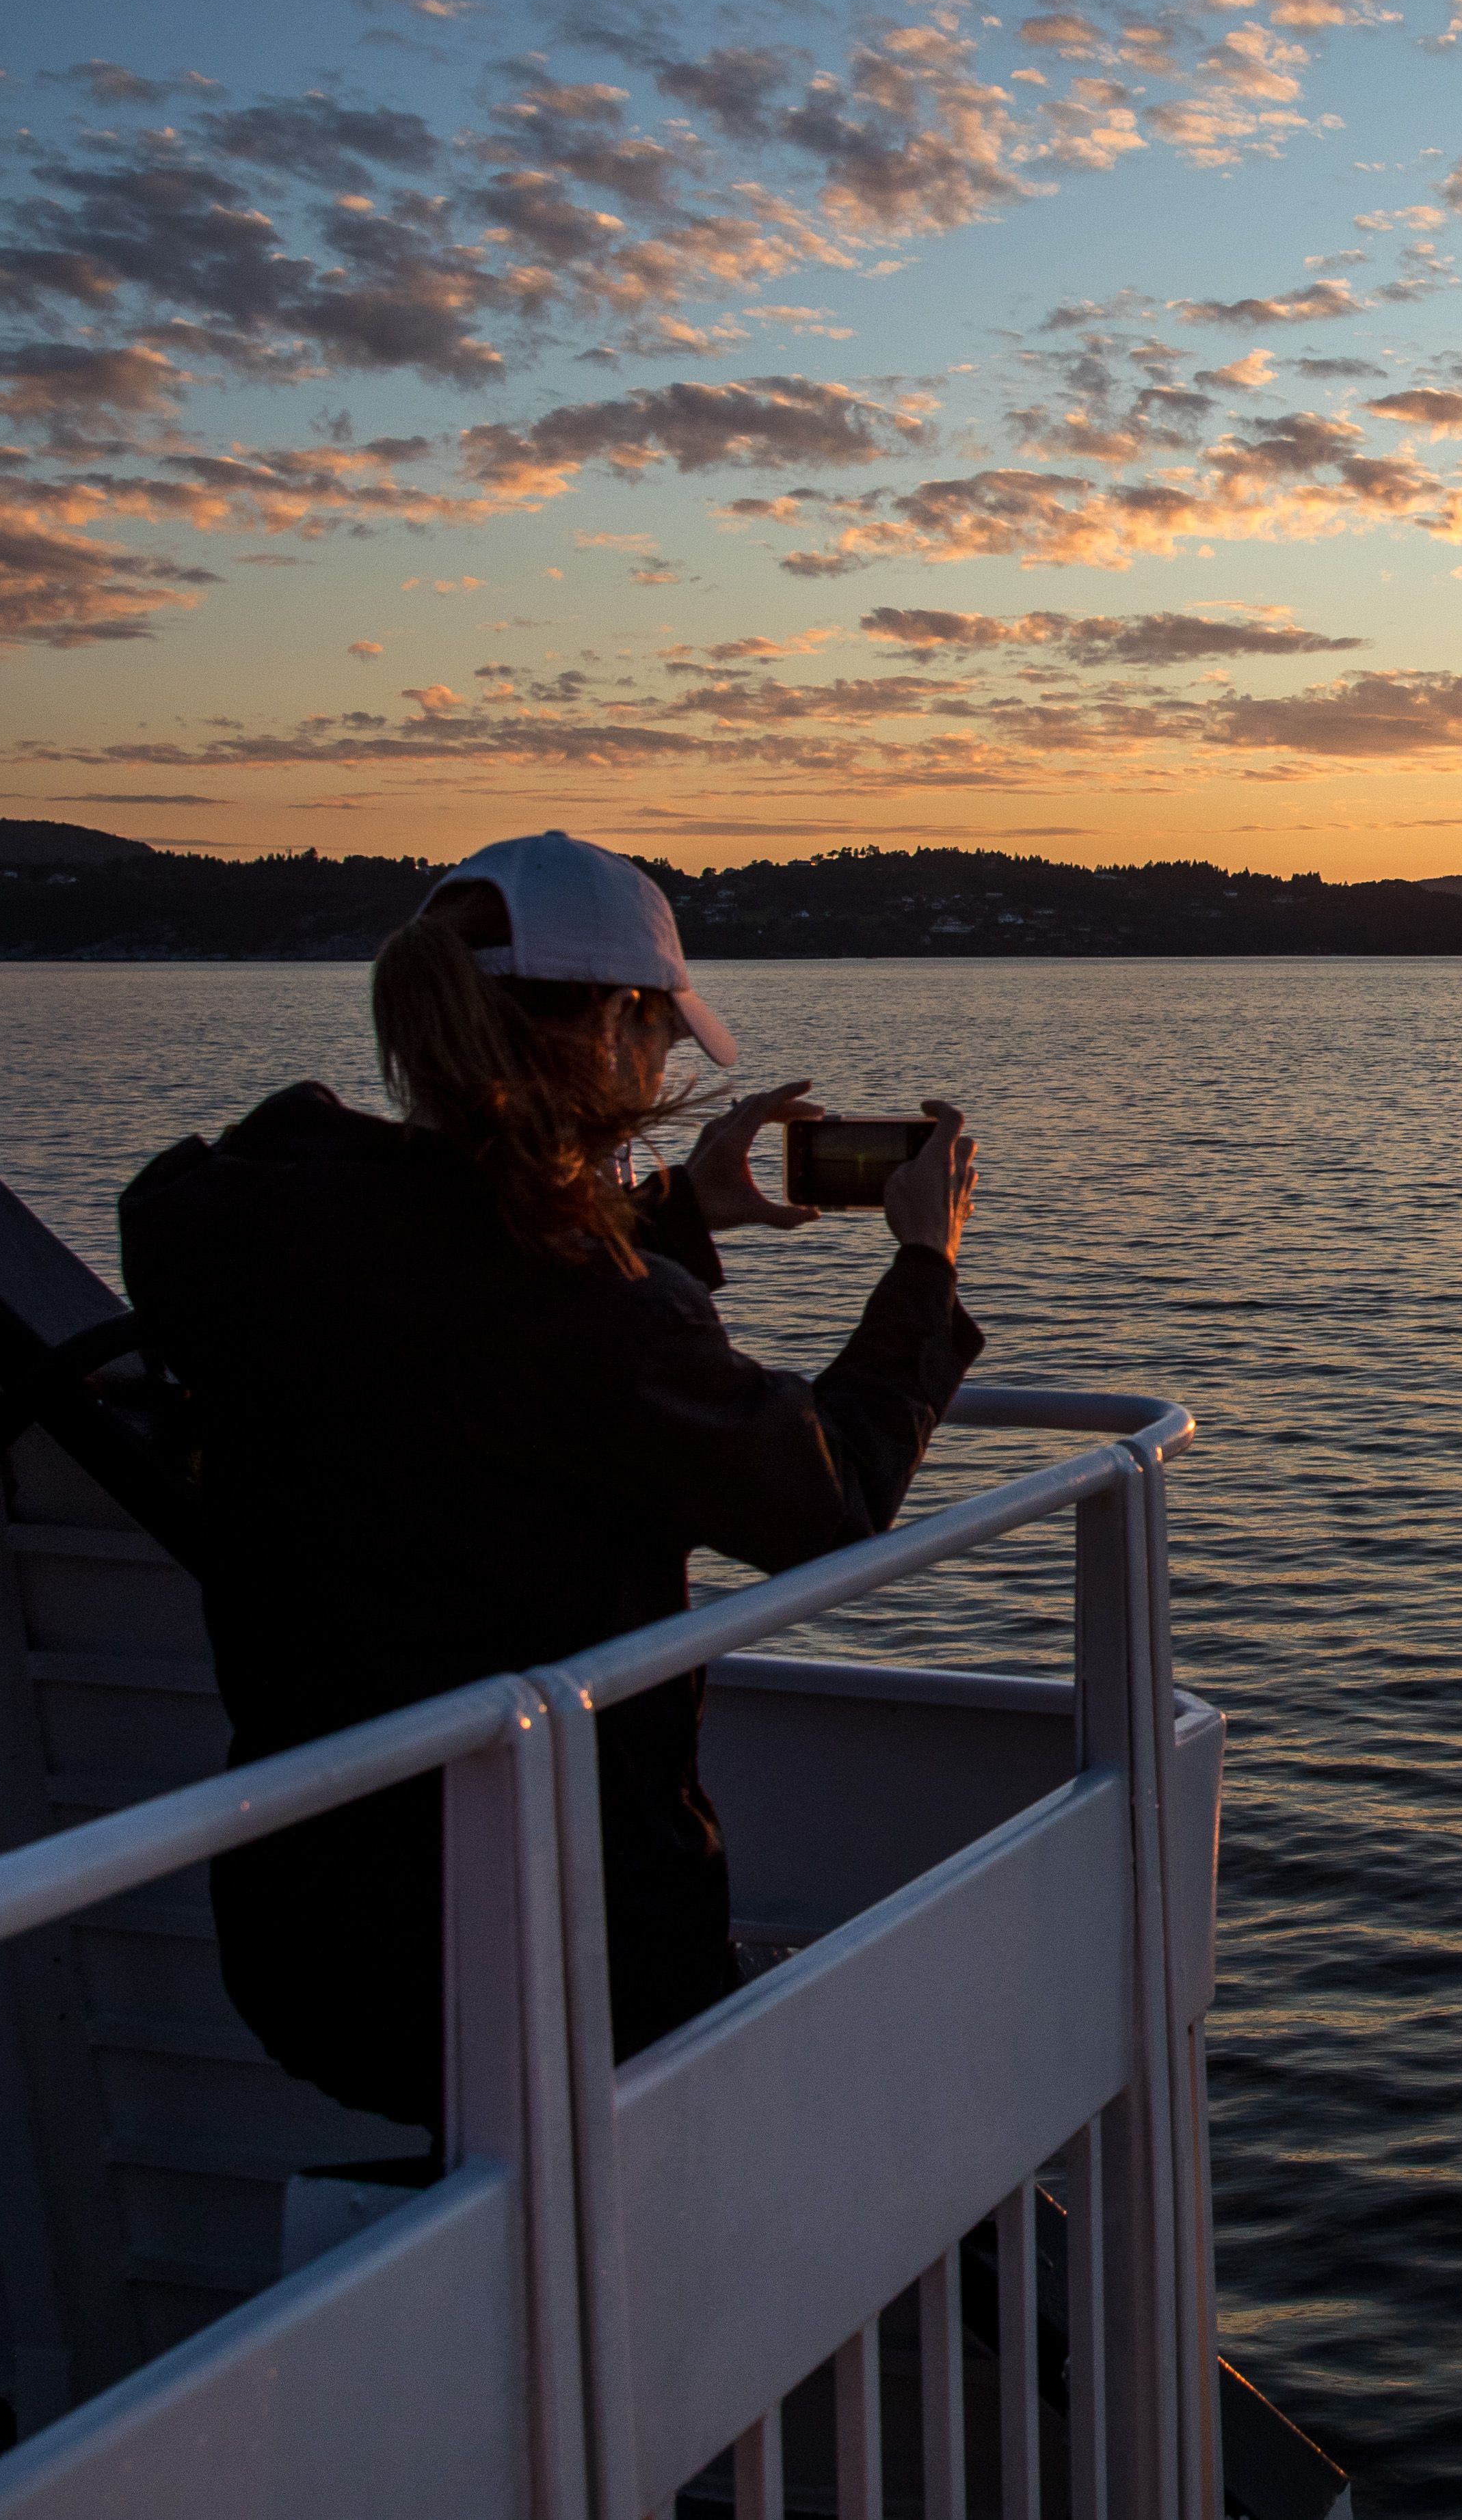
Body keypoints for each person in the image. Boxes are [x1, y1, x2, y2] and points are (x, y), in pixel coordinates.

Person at [118, 829, 981, 2135]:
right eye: (664, 1033)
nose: (670, 1062)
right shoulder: (600, 1321)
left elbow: (454, 1291)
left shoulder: (268, 1227)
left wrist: (672, 1218)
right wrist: (924, 1270)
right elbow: (831, 1500)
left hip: (318, 1942)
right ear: (617, 1027)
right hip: (569, 1951)